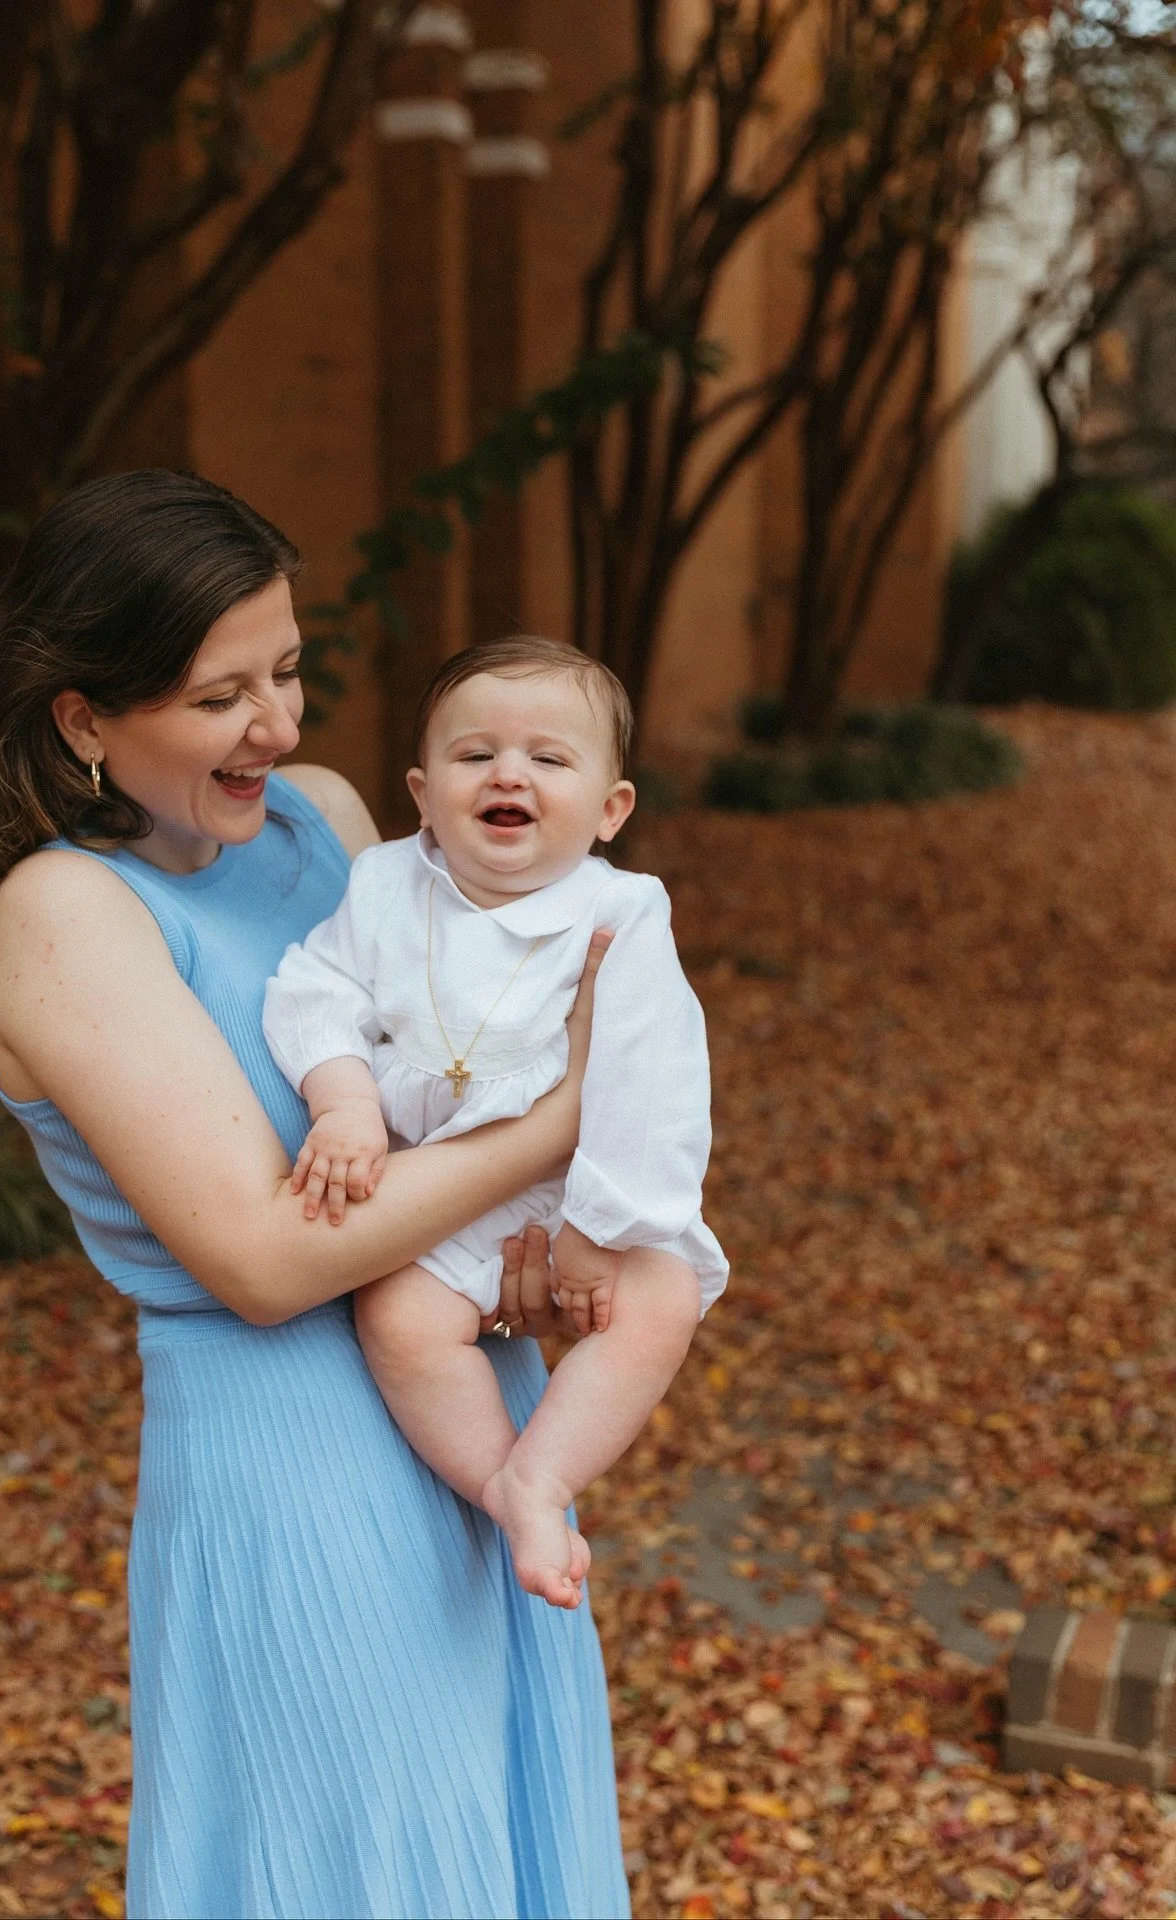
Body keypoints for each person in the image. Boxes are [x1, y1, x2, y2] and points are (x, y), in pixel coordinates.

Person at [0, 472, 630, 1920]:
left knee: (501, 1841)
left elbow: (440, 1088)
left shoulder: (322, 818)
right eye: (220, 696)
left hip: (473, 1415)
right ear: (85, 719)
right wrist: (558, 1122)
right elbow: (261, 1257)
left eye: (287, 671)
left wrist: (520, 1263)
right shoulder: (62, 915)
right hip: (297, 1473)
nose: (280, 727)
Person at [262, 638, 728, 1610]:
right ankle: (499, 1487)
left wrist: (599, 1231)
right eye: (475, 755)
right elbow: (315, 991)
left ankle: (546, 1473)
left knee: (663, 1297)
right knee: (399, 1317)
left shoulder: (620, 911)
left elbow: (653, 1078)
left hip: (577, 1194)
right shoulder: (385, 886)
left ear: (611, 809)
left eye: (548, 758)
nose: (509, 773)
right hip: (435, 1194)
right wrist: (343, 1099)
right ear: (423, 795)